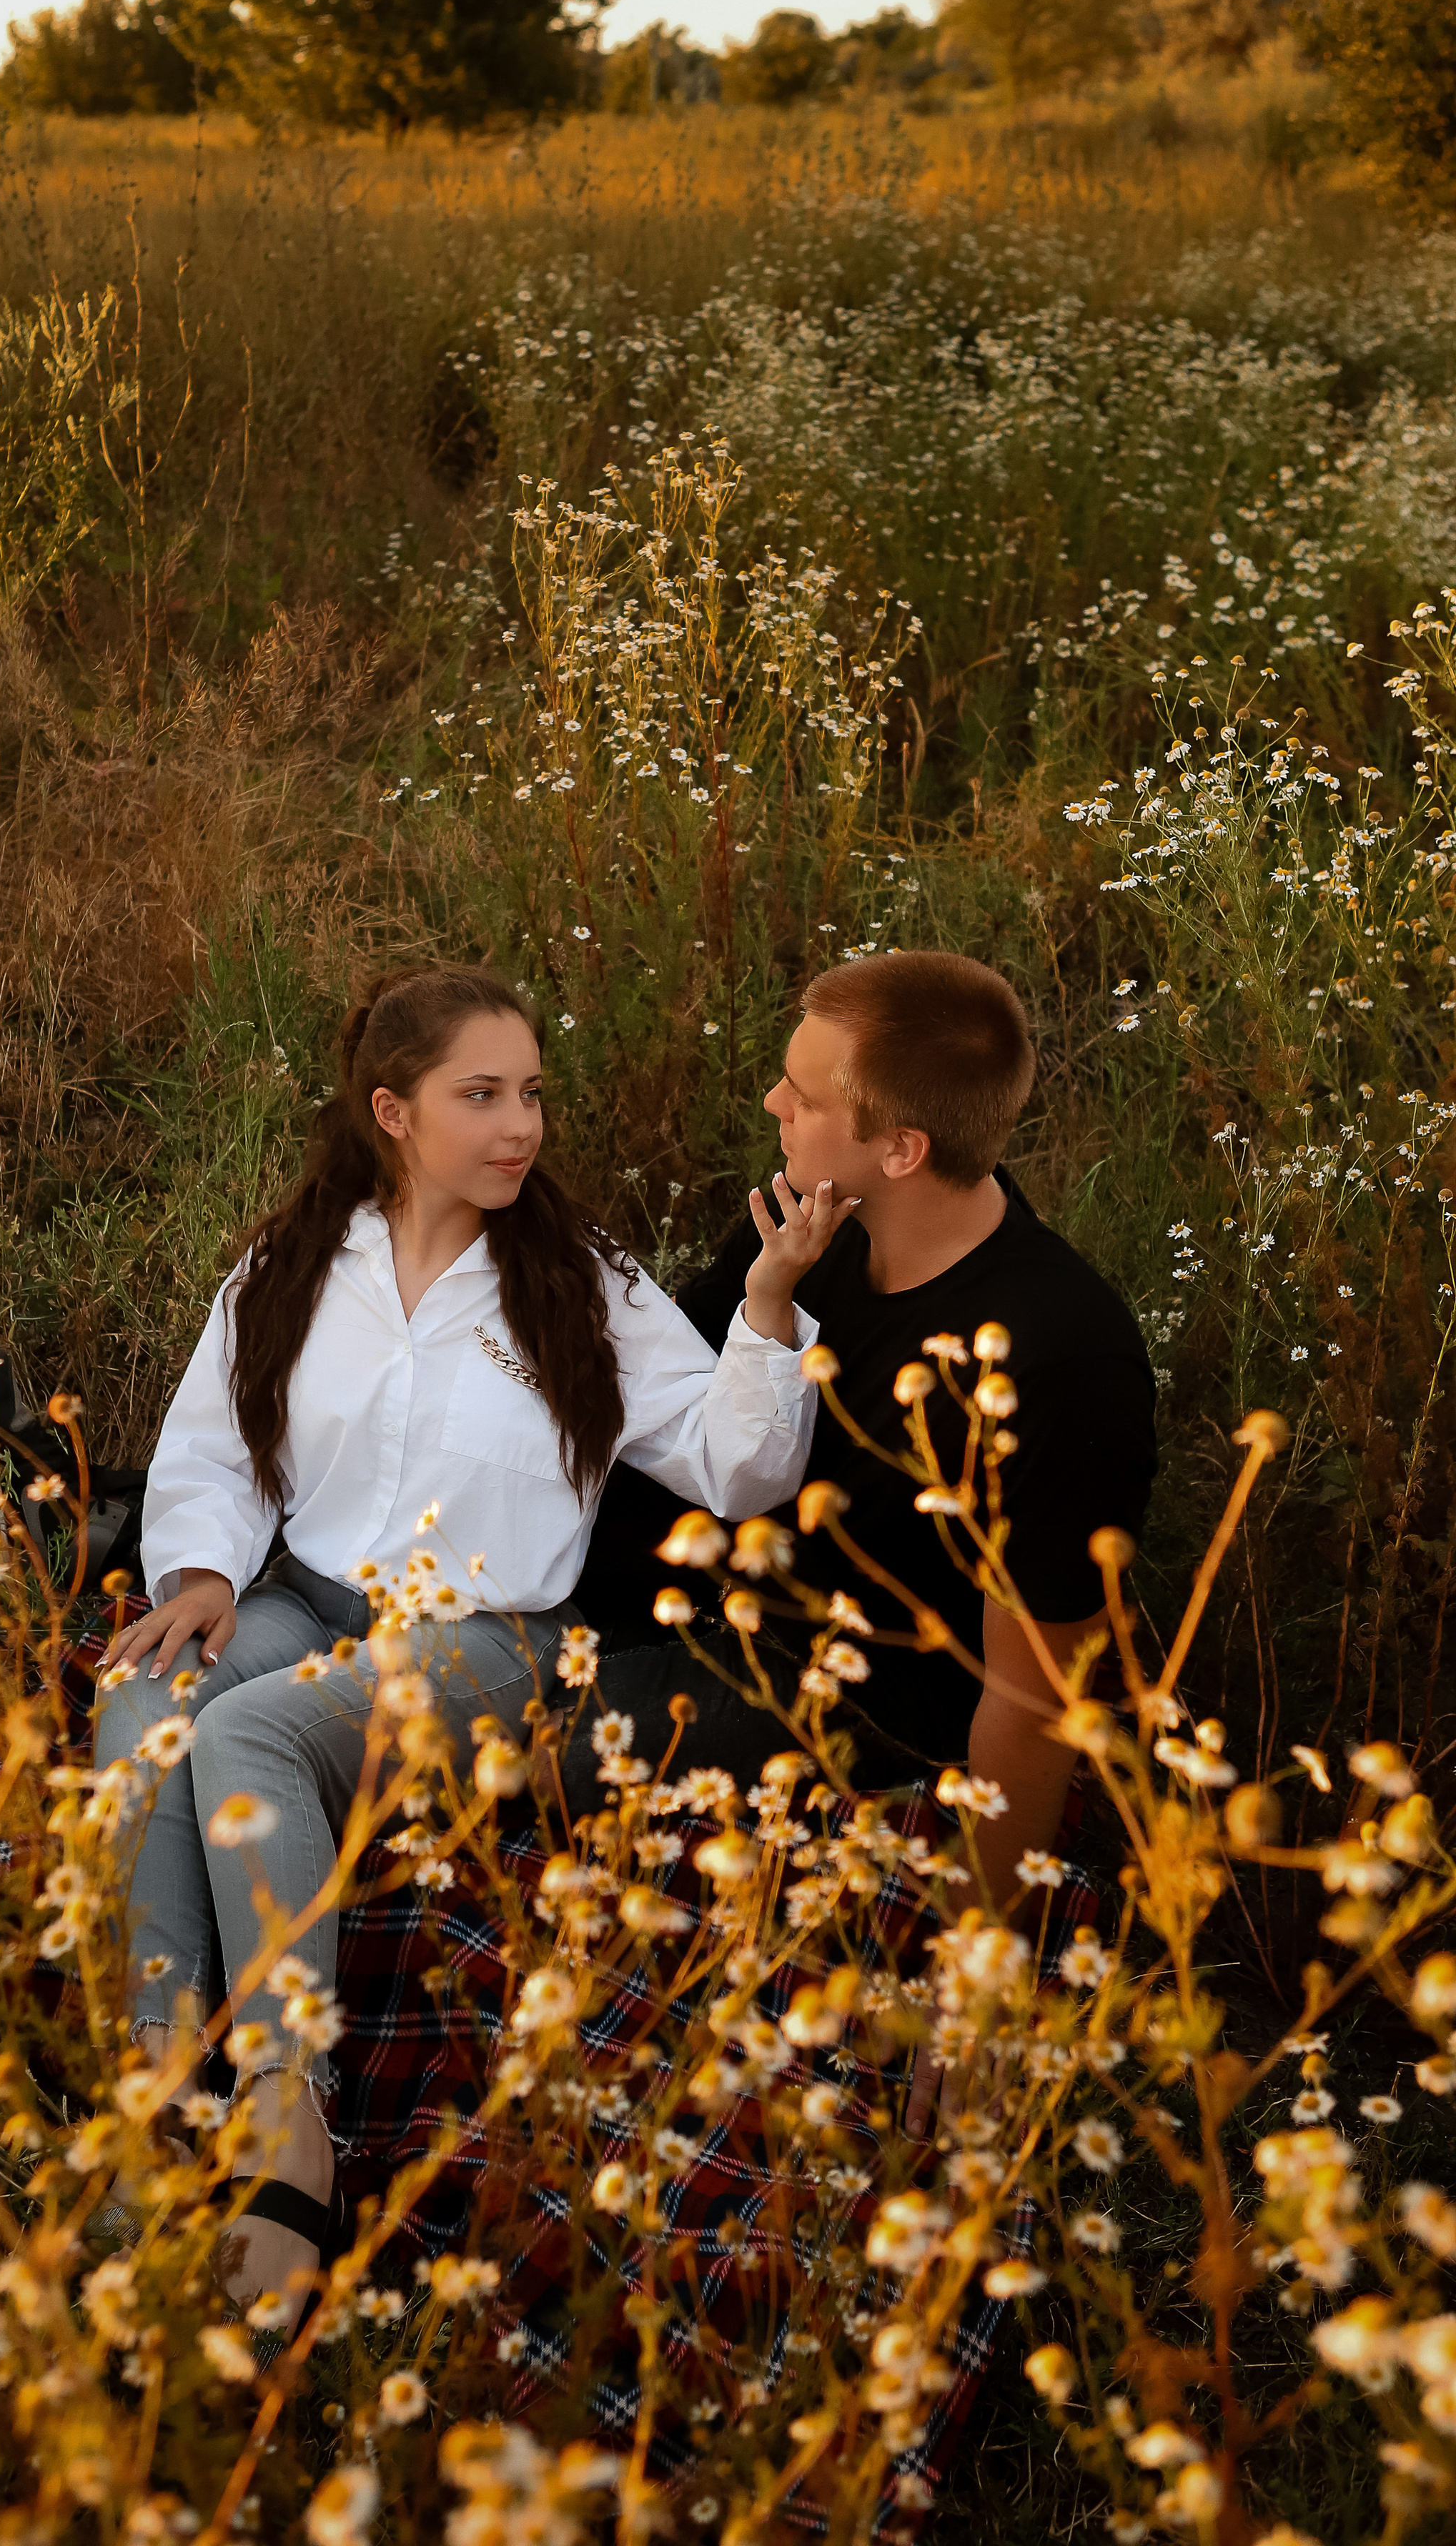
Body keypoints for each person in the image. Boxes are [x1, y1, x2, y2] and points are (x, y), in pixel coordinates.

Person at [94, 962, 844, 2319]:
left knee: (249, 1731)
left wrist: (775, 1302)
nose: (521, 1126)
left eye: (533, 1095)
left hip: (489, 1634)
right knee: (149, 1702)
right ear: (393, 1109)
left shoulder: (580, 1283)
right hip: (303, 1592)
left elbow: (739, 1467)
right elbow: (216, 1441)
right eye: (481, 1096)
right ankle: (152, 2084)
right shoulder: (299, 1263)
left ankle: (286, 2110)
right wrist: (203, 1569)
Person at [573, 951, 1158, 2131]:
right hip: (676, 1603)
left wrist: (979, 1973)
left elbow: (1032, 1695)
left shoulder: (1058, 1357)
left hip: (836, 1706)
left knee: (420, 1766)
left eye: (805, 1094)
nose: (775, 1108)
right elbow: (679, 1388)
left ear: (902, 1149)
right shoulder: (823, 1233)